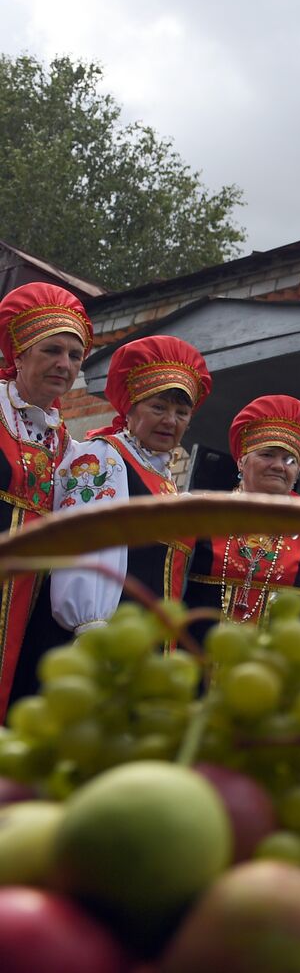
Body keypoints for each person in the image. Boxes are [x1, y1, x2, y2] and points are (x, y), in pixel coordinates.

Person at [51, 336, 213, 633]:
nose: (170, 421)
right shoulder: (104, 457)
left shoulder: (166, 483)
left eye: (181, 413)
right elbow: (85, 547)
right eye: (158, 407)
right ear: (130, 409)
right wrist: (91, 626)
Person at [0, 283, 92, 716]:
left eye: (74, 357)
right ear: (18, 355)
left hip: (33, 605)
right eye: (52, 350)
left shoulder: (69, 446)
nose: (64, 364)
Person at [184, 395, 300, 631]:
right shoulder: (201, 515)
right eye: (267, 454)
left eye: (290, 459)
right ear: (241, 462)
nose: (279, 465)